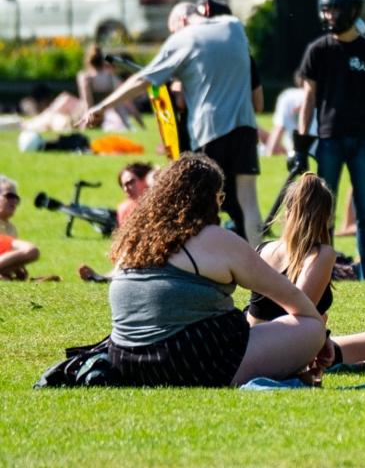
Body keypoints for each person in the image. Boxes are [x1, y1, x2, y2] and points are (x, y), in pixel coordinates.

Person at [105, 153, 325, 387]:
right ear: (208, 198)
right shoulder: (214, 238)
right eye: (219, 196)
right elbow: (294, 299)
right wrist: (315, 341)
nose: (220, 204)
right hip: (188, 361)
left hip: (125, 361)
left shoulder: (134, 240)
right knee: (312, 328)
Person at [82, 1, 263, 243]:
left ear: (181, 22)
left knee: (202, 206)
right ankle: (262, 263)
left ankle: (202, 265)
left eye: (173, 30)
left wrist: (101, 106)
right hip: (245, 128)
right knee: (248, 201)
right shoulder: (234, 27)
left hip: (210, 132)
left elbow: (142, 81)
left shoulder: (185, 38)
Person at [291, 0, 365, 281]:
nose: (329, 16)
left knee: (364, 211)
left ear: (351, 12)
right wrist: (301, 146)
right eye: (326, 10)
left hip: (362, 140)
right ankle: (324, 270)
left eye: (334, 9)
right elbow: (308, 100)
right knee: (325, 210)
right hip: (328, 139)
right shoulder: (318, 50)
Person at [249, 173, 365, 366]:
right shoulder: (321, 254)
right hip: (282, 349)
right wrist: (323, 335)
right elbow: (300, 311)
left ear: (287, 212)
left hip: (251, 338)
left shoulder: (263, 249)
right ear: (328, 217)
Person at [0, 177, 40, 280]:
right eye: (10, 196)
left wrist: (18, 268)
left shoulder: (11, 228)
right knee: (32, 251)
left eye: (16, 198)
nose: (14, 201)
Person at [266, 73, 316, 157]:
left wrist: (269, 153)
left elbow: (279, 128)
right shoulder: (324, 96)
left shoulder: (288, 96)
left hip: (294, 149)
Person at [116, 162, 154, 227]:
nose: (126, 189)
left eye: (131, 182)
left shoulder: (163, 202)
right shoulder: (125, 209)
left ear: (146, 179)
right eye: (123, 186)